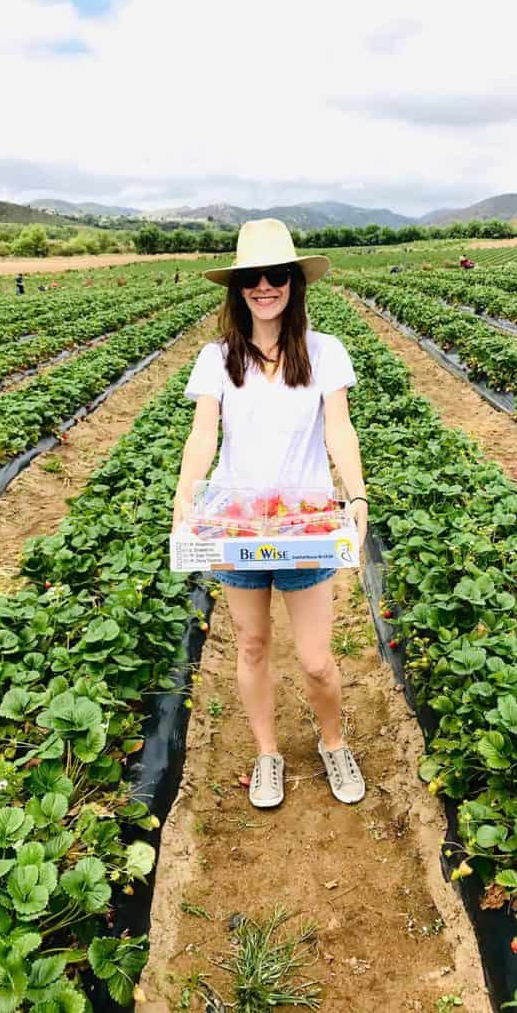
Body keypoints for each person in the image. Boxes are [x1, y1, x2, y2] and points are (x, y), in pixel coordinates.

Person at [173, 218, 368, 810]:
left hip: (303, 526)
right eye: (252, 278)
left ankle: (332, 742)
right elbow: (203, 432)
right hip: (236, 524)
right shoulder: (217, 358)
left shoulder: (323, 351)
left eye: (276, 275)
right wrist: (187, 495)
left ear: (293, 282)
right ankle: (267, 754)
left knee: (315, 659)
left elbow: (339, 426)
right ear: (237, 288)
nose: (265, 286)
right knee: (253, 645)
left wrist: (355, 495)